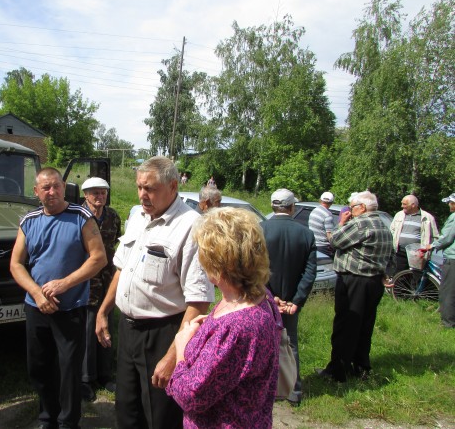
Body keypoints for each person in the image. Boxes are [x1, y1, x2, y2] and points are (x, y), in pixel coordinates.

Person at [95, 156, 215, 429]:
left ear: (173, 186)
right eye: (139, 187)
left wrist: (173, 355)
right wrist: (103, 311)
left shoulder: (192, 226)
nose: (142, 195)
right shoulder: (138, 215)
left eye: (149, 188)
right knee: (127, 411)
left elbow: (199, 301)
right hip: (128, 332)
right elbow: (121, 267)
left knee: (161, 417)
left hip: (164, 334)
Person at [10, 167, 107, 429]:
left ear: (64, 188)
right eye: (45, 188)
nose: (51, 192)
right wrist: (36, 292)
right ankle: (47, 417)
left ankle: (67, 422)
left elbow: (99, 258)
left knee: (69, 371)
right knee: (39, 368)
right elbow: (16, 265)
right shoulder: (28, 221)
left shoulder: (82, 217)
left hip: (71, 308)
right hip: (36, 307)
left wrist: (64, 284)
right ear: (36, 192)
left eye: (56, 186)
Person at [166, 207, 280, 428]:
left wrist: (181, 348)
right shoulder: (260, 295)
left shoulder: (236, 327)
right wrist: (211, 327)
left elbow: (190, 395)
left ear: (218, 261)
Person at [317, 191, 393, 382]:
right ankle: (361, 367)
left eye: (351, 207)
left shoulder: (360, 224)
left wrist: (341, 222)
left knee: (346, 325)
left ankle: (338, 370)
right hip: (374, 281)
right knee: (364, 326)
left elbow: (334, 240)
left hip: (355, 280)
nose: (349, 211)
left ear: (362, 208)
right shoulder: (383, 225)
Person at [261, 188, 316, 406]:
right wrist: (296, 300)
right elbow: (310, 271)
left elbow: (255, 266)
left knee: (264, 341)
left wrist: (270, 296)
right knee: (290, 342)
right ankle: (294, 389)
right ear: (292, 207)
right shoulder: (306, 233)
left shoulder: (261, 229)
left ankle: (266, 388)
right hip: (291, 300)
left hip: (266, 299)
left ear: (273, 207)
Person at [80, 177, 121, 401]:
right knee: (87, 328)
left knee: (106, 324)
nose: (100, 196)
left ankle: (106, 374)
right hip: (85, 281)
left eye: (103, 192)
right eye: (95, 193)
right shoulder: (78, 216)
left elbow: (114, 242)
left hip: (107, 279)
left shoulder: (113, 216)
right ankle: (86, 378)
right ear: (85, 195)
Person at [424, 193, 455, 328]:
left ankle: (448, 323)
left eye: (450, 202)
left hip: (453, 259)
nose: (449, 205)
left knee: (448, 292)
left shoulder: (454, 217)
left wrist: (432, 245)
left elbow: (447, 237)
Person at [390, 194, 438, 275]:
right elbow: (392, 231)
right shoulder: (399, 215)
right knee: (399, 278)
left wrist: (428, 249)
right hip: (400, 253)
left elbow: (435, 236)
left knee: (415, 278)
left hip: (418, 255)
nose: (402, 206)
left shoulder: (427, 217)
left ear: (413, 205)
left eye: (404, 204)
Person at [308, 191, 336, 257]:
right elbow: (329, 235)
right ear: (331, 203)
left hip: (313, 244)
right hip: (324, 247)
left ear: (320, 200)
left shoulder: (314, 211)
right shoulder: (328, 215)